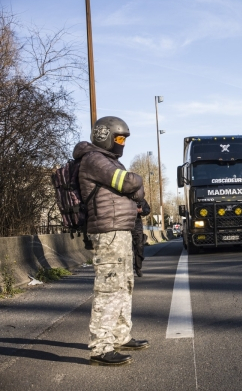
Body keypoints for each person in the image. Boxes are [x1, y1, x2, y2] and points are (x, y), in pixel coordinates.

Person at [73, 116, 149, 366]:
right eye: (118, 138)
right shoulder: (95, 160)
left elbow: (132, 190)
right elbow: (129, 183)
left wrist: (133, 186)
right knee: (109, 288)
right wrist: (135, 181)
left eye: (124, 139)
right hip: (109, 232)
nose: (121, 143)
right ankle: (100, 347)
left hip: (121, 231)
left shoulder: (107, 161)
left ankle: (120, 335)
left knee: (124, 285)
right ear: (103, 136)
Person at [132, 199, 151, 277]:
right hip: (124, 225)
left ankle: (138, 268)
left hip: (137, 225)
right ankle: (126, 268)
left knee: (139, 247)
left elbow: (147, 209)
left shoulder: (139, 198)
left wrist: (142, 210)